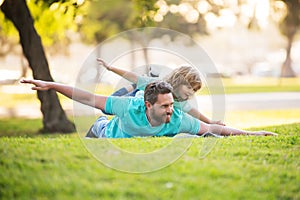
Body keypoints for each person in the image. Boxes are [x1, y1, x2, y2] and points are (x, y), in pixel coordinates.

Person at [20, 79, 277, 138]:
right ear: (147, 105)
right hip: (105, 131)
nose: (170, 110)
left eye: (171, 105)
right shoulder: (127, 106)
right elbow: (87, 97)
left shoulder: (176, 118)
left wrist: (252, 134)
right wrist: (51, 85)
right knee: (97, 126)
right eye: (164, 106)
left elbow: (210, 127)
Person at [97, 58, 225, 126]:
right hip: (136, 96)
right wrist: (110, 68)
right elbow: (134, 76)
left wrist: (210, 122)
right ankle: (134, 87)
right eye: (189, 87)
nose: (192, 93)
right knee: (106, 109)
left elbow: (194, 112)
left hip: (142, 106)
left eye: (195, 90)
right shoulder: (158, 85)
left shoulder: (180, 101)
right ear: (179, 81)